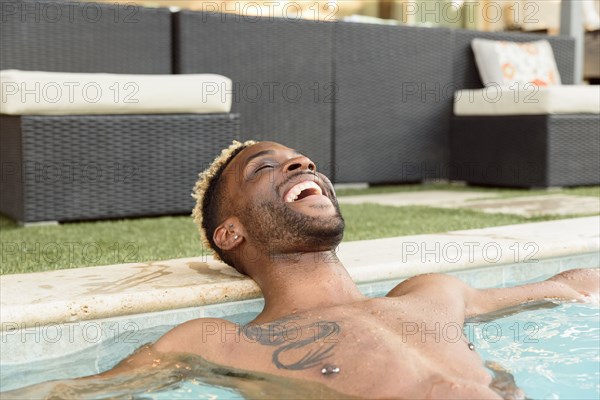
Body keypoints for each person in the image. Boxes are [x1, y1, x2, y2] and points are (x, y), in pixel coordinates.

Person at [12, 140, 600, 399]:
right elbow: (74, 390)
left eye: (303, 160)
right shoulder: (221, 342)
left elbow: (567, 287)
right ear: (230, 233)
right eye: (265, 167)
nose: (301, 162)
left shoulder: (433, 291)